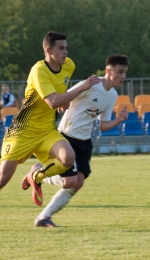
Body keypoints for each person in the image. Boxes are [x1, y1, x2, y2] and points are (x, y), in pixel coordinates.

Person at [22, 54, 130, 227]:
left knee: (77, 183)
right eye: (120, 71)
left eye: (125, 72)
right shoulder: (92, 84)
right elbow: (66, 97)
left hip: (85, 141)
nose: (123, 76)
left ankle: (43, 217)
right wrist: (64, 103)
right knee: (70, 181)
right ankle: (37, 172)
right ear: (109, 71)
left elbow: (102, 126)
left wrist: (119, 120)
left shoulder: (112, 95)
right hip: (67, 137)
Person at [0, 31, 101, 208]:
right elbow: (53, 101)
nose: (66, 52)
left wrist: (65, 101)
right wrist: (83, 87)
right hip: (23, 131)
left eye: (66, 48)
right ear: (49, 50)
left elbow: (59, 96)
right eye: (61, 48)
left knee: (68, 158)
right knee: (2, 179)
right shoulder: (39, 70)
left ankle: (36, 176)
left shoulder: (68, 66)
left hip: (47, 130)